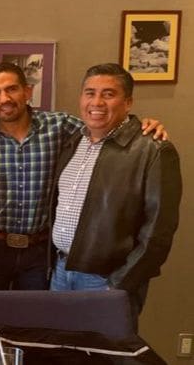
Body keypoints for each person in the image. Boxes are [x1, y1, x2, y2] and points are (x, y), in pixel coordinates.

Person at [50, 63, 181, 323]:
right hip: (61, 273)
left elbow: (158, 233)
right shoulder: (73, 142)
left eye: (108, 94)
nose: (96, 102)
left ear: (128, 102)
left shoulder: (153, 150)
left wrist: (119, 285)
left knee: (106, 348)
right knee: (59, 345)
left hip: (106, 280)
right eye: (90, 93)